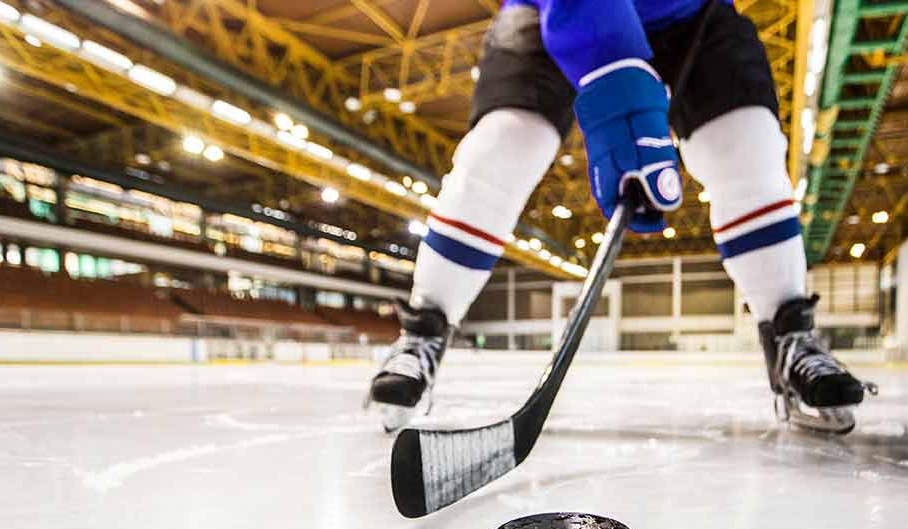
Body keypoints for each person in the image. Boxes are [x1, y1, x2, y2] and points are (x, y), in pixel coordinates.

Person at [368, 0, 871, 433]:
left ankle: (789, 331)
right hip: (551, 9)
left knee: (746, 145)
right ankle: (424, 330)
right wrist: (614, 72)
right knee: (502, 146)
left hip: (690, 12)